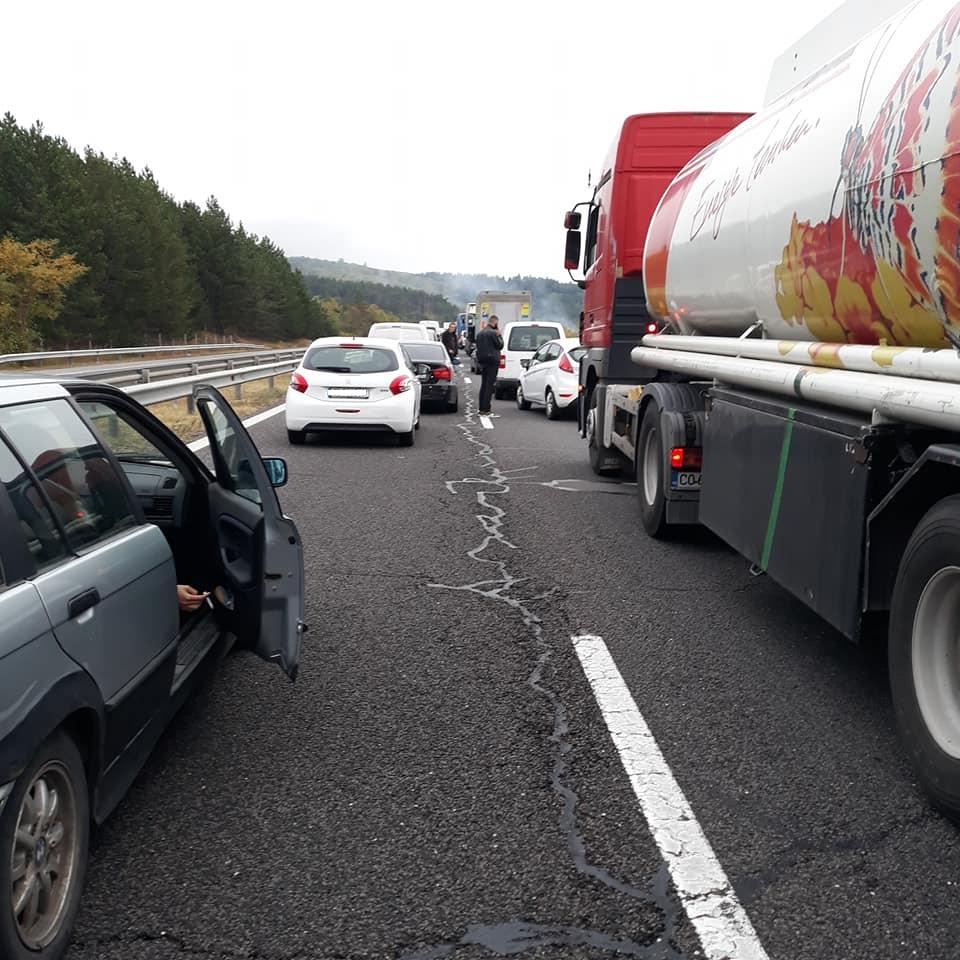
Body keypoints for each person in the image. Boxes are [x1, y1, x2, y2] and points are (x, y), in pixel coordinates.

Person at [476, 315, 504, 417]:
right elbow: (500, 345)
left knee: (484, 385)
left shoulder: (480, 333)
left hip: (482, 360)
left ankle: (481, 408)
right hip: (492, 360)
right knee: (489, 386)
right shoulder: (493, 333)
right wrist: (499, 336)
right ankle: (486, 410)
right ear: (495, 322)